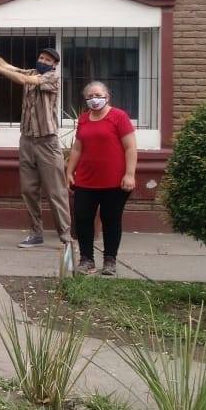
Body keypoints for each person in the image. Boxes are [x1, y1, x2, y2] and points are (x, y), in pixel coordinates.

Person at [0, 37, 73, 248]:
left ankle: (66, 237)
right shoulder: (32, 72)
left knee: (55, 191)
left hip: (47, 143)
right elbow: (8, 66)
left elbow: (23, 81)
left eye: (47, 59)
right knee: (29, 190)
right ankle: (36, 233)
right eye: (41, 57)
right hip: (27, 140)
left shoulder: (52, 78)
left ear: (54, 64)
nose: (42, 60)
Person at [65, 81, 137, 276]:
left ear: (107, 96)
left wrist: (129, 174)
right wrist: (70, 171)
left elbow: (130, 147)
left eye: (97, 95)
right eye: (89, 96)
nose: (94, 99)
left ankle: (110, 260)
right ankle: (86, 259)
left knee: (111, 220)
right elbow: (77, 147)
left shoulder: (119, 117)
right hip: (86, 181)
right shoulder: (83, 119)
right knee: (82, 219)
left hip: (114, 181)